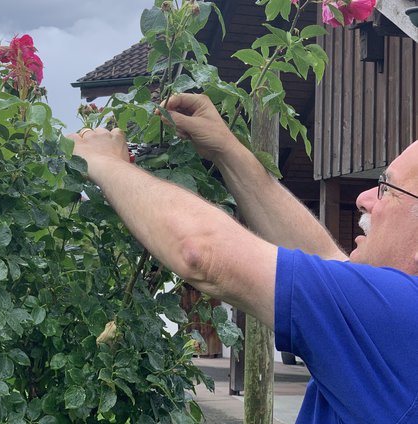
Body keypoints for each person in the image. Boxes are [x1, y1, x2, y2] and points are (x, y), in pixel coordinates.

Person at [69, 93, 418, 424]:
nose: (364, 198)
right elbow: (322, 255)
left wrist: (103, 161)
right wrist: (226, 149)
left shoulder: (403, 314)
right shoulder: (391, 318)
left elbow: (202, 252)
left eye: (387, 188)